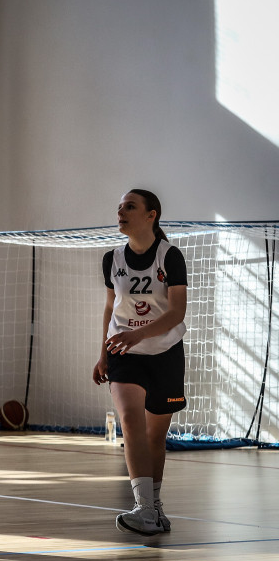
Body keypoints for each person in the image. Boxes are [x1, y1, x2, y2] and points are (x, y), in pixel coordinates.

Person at [93, 189, 187, 536]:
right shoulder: (112, 258)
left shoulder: (170, 256)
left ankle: (155, 506)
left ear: (151, 215)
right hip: (124, 353)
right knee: (130, 421)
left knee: (155, 438)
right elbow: (109, 307)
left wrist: (140, 334)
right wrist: (104, 352)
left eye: (129, 207)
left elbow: (177, 312)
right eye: (119, 207)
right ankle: (144, 508)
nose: (121, 212)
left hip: (165, 353)